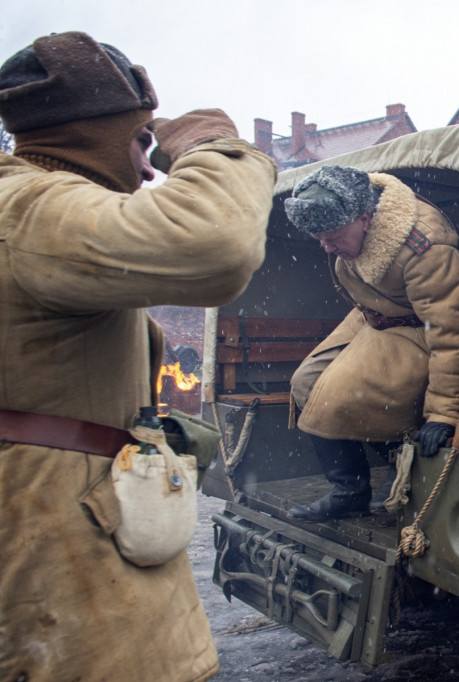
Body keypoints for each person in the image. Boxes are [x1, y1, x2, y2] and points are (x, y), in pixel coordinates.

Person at [0, 32, 276, 681]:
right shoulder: (32, 210)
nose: (150, 170)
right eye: (141, 142)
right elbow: (217, 244)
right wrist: (209, 144)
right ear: (92, 137)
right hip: (63, 554)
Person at [284, 166, 459, 522]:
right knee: (305, 383)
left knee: (335, 398)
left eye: (333, 238)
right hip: (372, 313)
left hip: (418, 326)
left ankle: (402, 463)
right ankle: (350, 491)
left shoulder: (424, 246)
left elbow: (451, 332)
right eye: (319, 238)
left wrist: (444, 413)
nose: (326, 247)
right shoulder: (350, 219)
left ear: (365, 218)